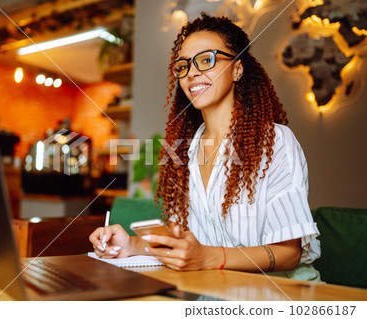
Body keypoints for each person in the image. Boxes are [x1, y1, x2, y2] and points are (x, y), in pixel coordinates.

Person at [89, 13, 321, 281]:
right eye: (183, 66)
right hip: (217, 292)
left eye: (206, 60)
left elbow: (288, 254)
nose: (192, 73)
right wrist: (132, 245)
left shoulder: (275, 142)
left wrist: (209, 258)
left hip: (281, 296)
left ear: (237, 68)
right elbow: (184, 243)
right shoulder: (184, 149)